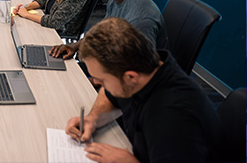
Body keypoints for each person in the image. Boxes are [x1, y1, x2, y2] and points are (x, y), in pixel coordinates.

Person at [66, 17, 220, 163]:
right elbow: (110, 96)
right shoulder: (145, 69)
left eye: (102, 80)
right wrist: (92, 119)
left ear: (131, 77)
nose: (97, 83)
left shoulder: (172, 119)